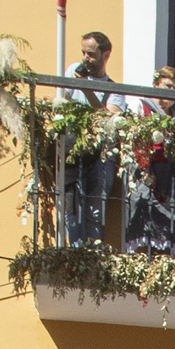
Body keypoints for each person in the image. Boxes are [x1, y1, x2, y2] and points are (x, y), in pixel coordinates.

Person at [60, 31, 126, 246]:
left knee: (95, 211)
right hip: (72, 152)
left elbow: (109, 119)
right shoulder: (73, 71)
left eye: (90, 54)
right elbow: (60, 103)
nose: (85, 58)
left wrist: (86, 90)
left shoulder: (114, 89)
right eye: (83, 53)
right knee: (70, 207)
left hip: (100, 158)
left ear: (105, 55)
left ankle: (93, 256)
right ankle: (75, 253)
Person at [123, 67, 175, 257]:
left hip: (169, 176)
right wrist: (145, 168)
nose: (171, 92)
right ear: (156, 85)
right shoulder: (141, 107)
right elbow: (133, 138)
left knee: (167, 227)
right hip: (145, 172)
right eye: (167, 86)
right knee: (143, 221)